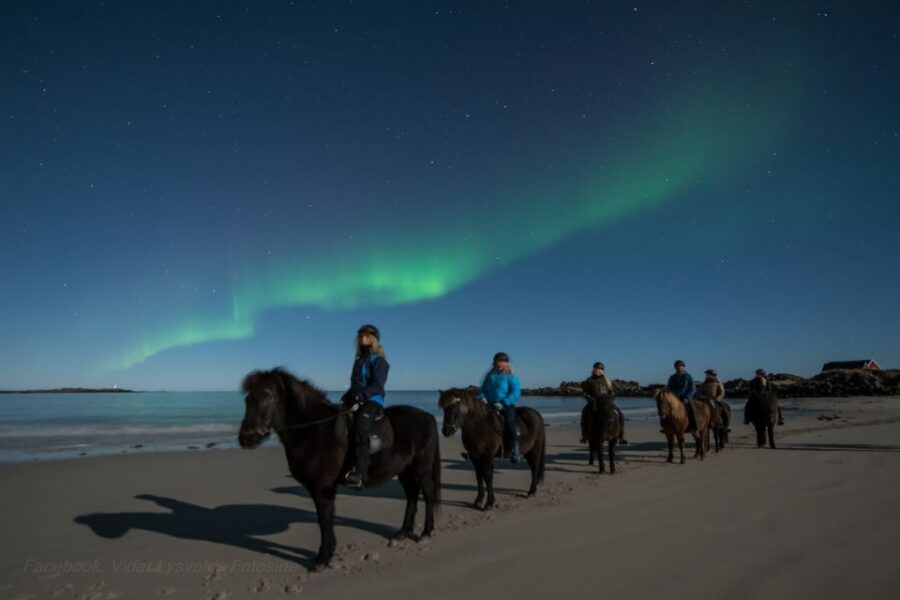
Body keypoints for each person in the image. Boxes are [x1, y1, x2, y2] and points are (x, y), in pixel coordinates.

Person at [342, 324, 390, 489]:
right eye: (361, 335)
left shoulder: (379, 360)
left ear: (373, 339)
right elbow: (355, 384)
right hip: (356, 399)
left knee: (361, 428)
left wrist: (361, 396)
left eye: (367, 335)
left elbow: (377, 385)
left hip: (372, 400)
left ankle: (360, 473)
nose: (363, 337)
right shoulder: (359, 360)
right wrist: (348, 396)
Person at [478, 352, 522, 462]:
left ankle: (515, 449)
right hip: (489, 405)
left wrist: (503, 403)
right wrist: (482, 397)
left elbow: (516, 392)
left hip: (506, 405)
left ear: (506, 363)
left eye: (500, 363)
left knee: (509, 423)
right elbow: (483, 389)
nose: (498, 365)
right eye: (496, 363)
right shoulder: (490, 376)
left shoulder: (511, 376)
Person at [581, 362, 627, 444]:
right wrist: (592, 400)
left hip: (607, 403)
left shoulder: (607, 381)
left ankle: (621, 436)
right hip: (594, 402)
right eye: (596, 368)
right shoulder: (589, 380)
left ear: (602, 370)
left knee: (620, 414)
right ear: (593, 369)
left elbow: (613, 392)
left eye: (599, 369)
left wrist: (610, 399)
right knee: (584, 412)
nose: (597, 370)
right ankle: (584, 435)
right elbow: (585, 393)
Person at [667, 359, 698, 431]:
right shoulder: (672, 377)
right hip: (674, 398)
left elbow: (693, 389)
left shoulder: (688, 376)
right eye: (677, 366)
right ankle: (666, 426)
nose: (679, 367)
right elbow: (669, 388)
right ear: (675, 367)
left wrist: (687, 398)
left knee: (692, 409)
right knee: (664, 409)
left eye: (681, 366)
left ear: (684, 367)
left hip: (685, 398)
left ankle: (695, 426)